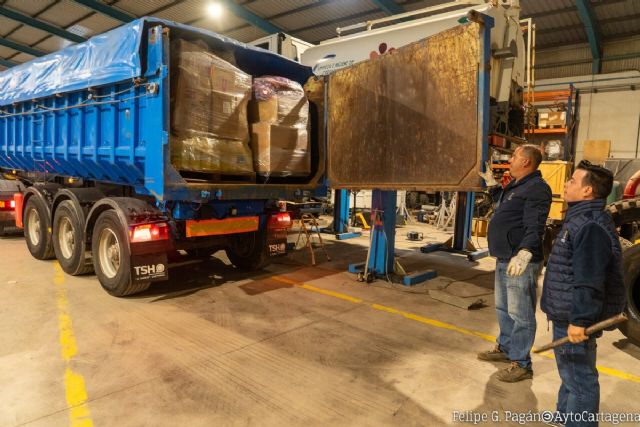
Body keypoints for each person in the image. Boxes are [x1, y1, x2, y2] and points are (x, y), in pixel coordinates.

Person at [541, 160, 626, 426]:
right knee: (571, 375)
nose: (566, 184)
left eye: (573, 181)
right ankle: (564, 417)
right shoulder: (580, 219)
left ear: (588, 191)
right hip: (567, 312)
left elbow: (589, 279)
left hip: (573, 317)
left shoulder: (589, 225)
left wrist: (580, 320)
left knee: (580, 381)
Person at [477, 145, 552, 382]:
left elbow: (535, 225)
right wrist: (492, 185)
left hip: (519, 260)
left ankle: (521, 363)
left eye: (514, 156)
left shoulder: (537, 189)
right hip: (504, 257)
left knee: (521, 314)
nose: (510, 159)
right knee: (503, 308)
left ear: (527, 162)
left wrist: (525, 251)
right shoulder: (517, 185)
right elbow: (502, 203)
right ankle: (507, 348)